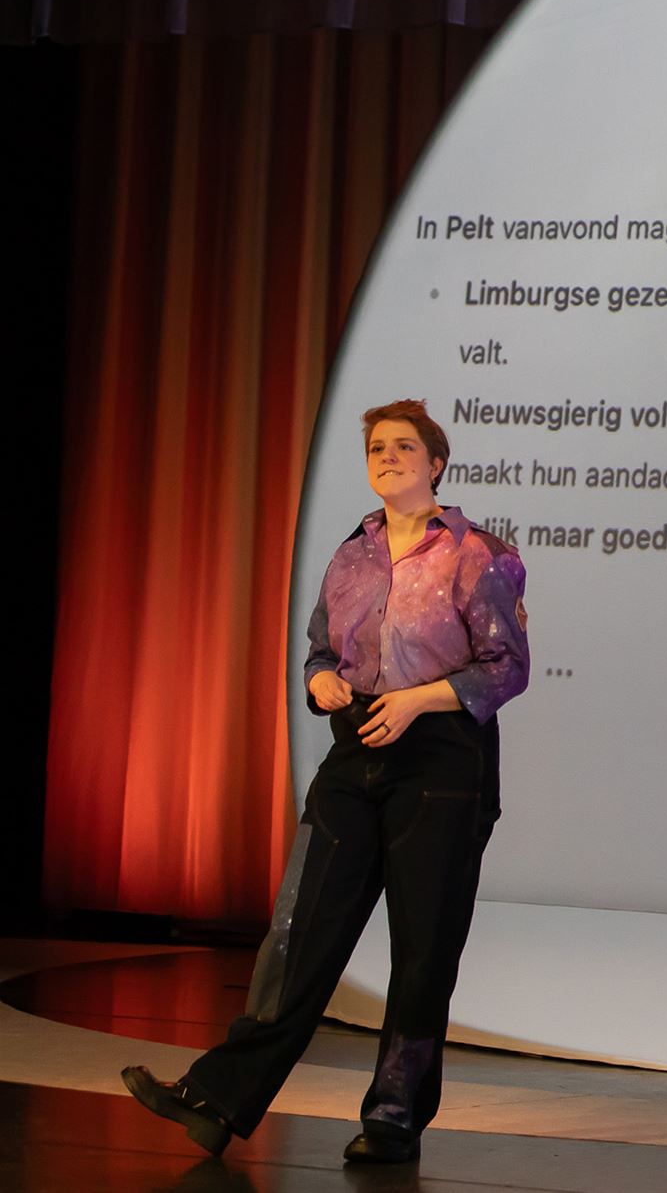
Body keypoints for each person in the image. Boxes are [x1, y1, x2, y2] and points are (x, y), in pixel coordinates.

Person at [123, 399, 528, 1165]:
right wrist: (320, 683)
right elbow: (319, 649)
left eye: (404, 446)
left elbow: (506, 667)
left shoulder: (479, 554)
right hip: (356, 750)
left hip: (442, 760)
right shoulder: (353, 553)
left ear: (437, 463)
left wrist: (417, 701)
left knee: (423, 949)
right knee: (298, 933)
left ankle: (394, 1119)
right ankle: (218, 1097)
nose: (388, 457)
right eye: (377, 448)